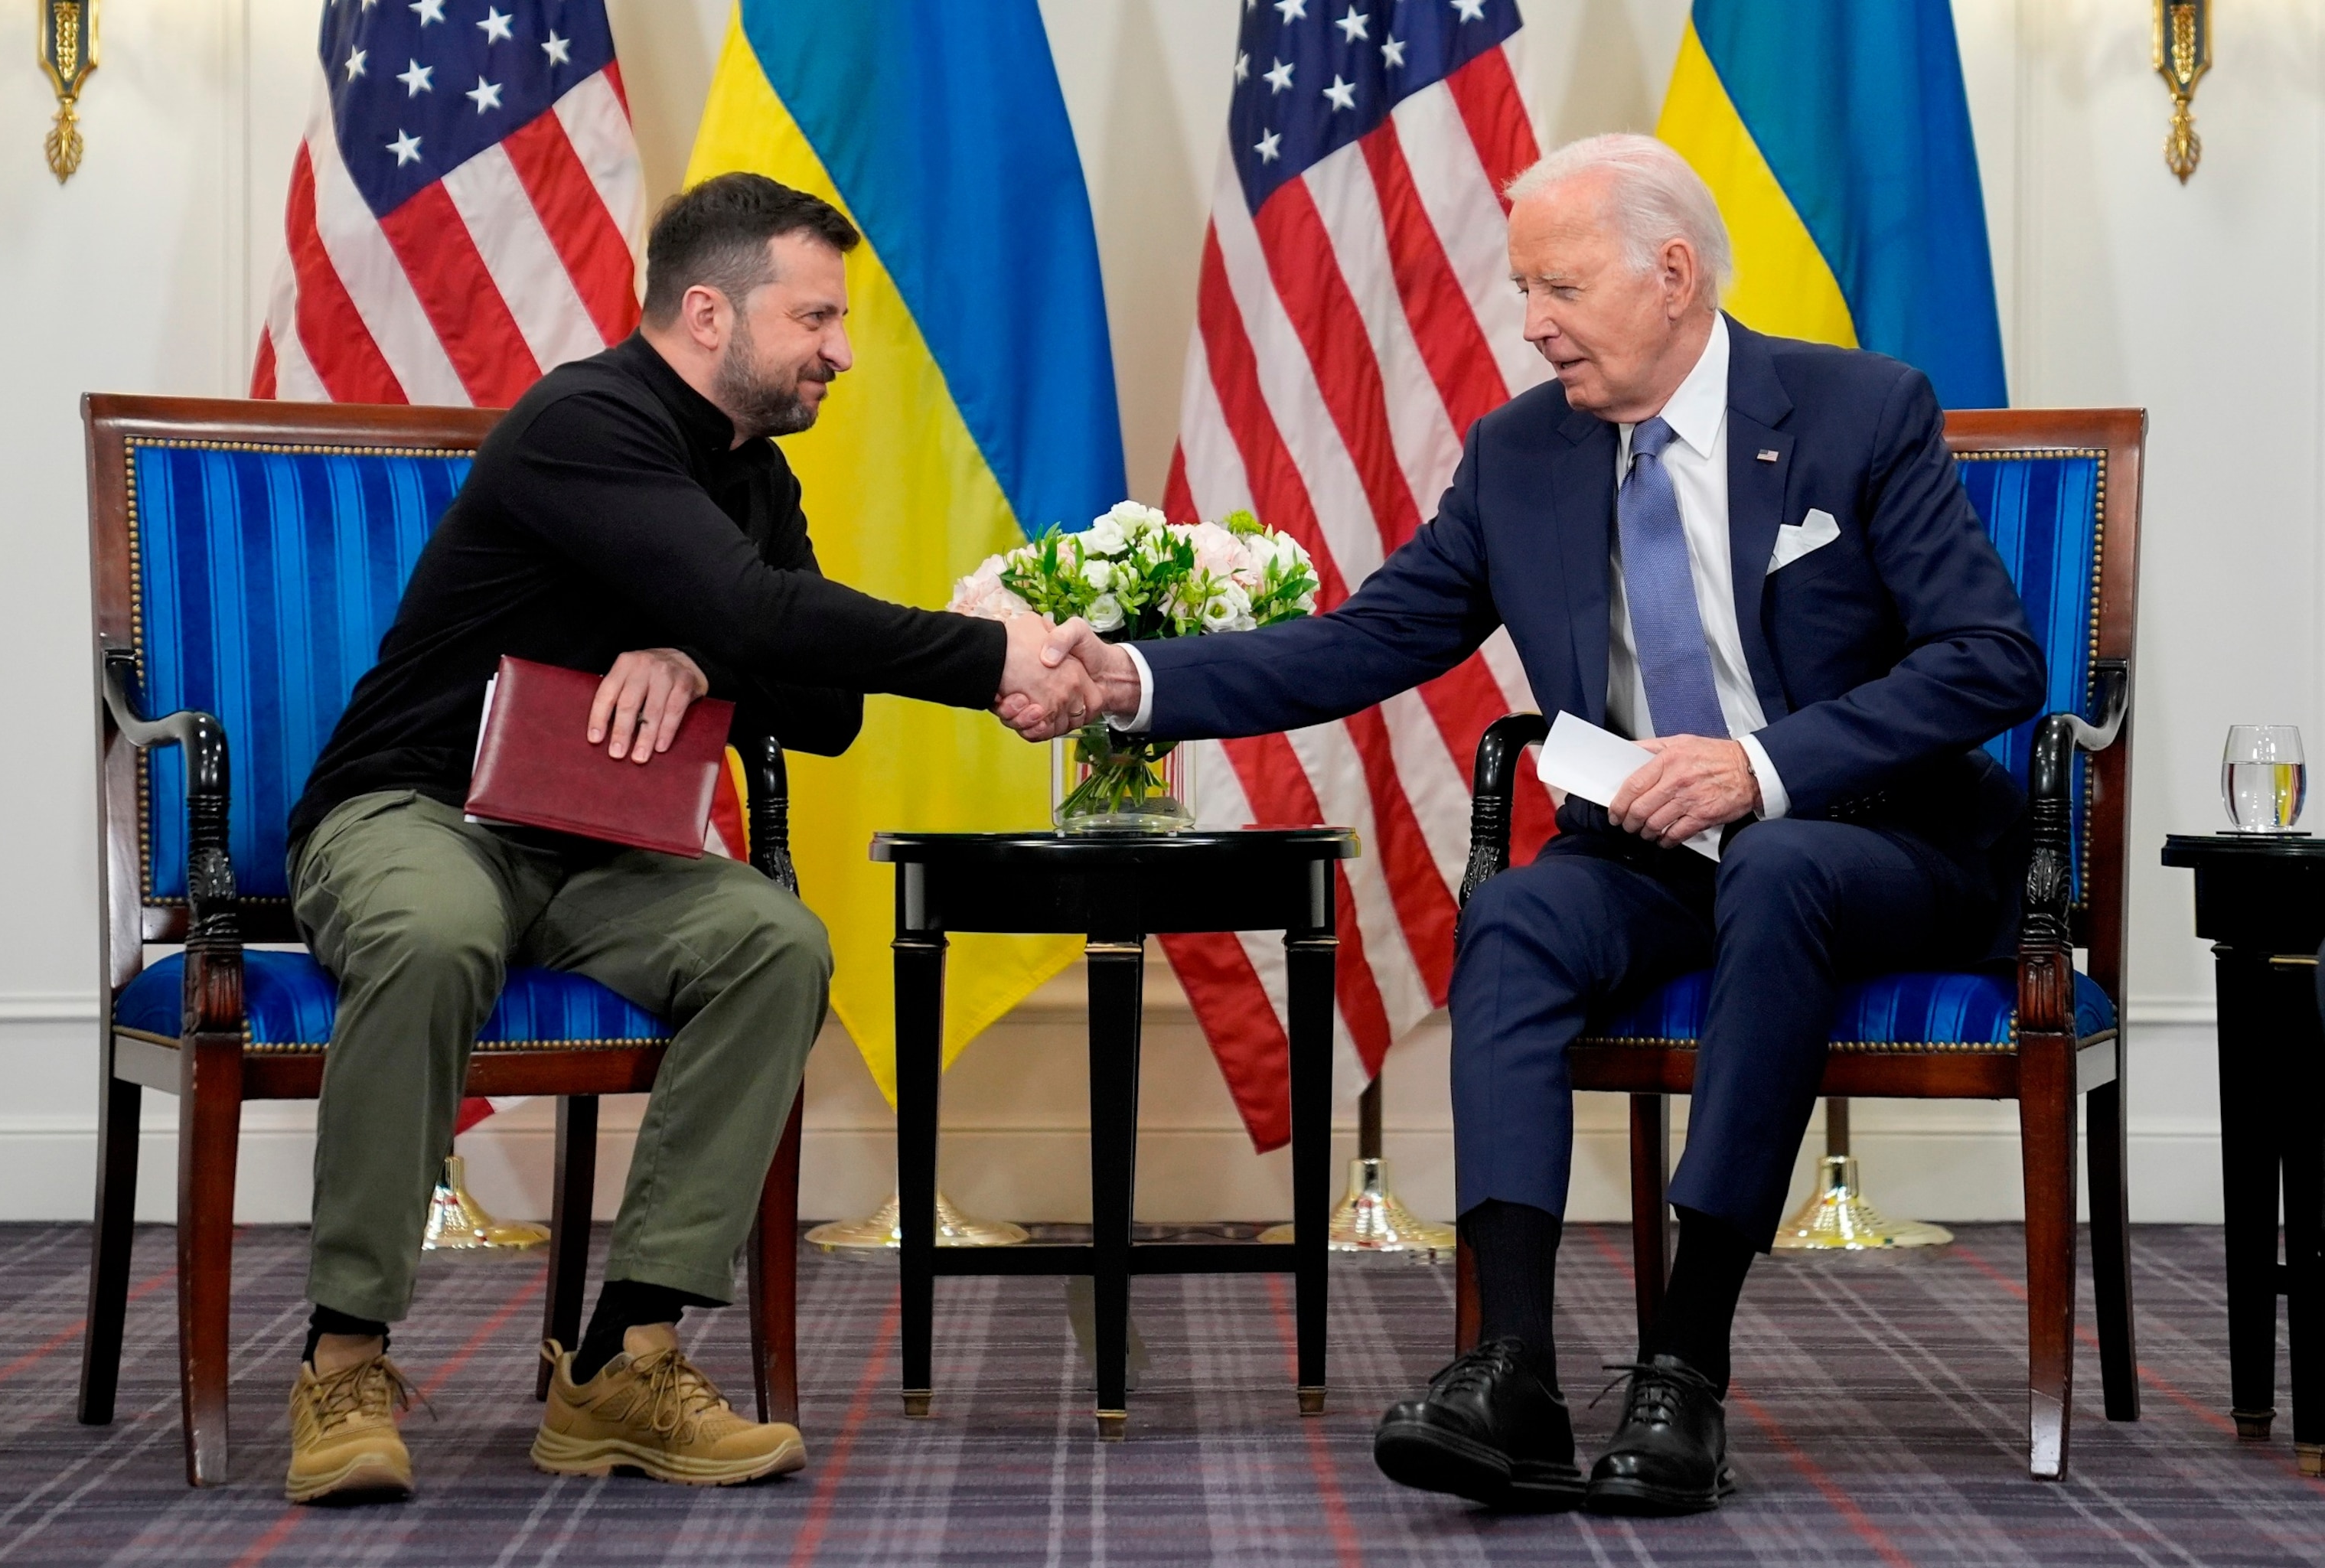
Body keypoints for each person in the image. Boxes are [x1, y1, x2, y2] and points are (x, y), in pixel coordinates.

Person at [1032, 134, 2044, 1515]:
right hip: (1652, 856)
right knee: (1512, 913)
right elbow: (1366, 640)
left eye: (1556, 287)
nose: (1530, 325)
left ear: (1673, 274)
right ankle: (1511, 1363)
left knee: (1785, 866)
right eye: (1522, 290)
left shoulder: (1861, 411)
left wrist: (1760, 764)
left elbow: (1990, 658)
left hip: (1878, 842)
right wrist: (1134, 682)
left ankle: (1683, 1366)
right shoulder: (1522, 451)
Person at [279, 172, 1096, 1504]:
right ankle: (344, 1356)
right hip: (414, 812)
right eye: (816, 316)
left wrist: (688, 640)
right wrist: (986, 651)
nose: (841, 349)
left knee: (773, 944)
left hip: (594, 851)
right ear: (708, 311)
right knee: (439, 929)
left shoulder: (753, 476)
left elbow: (819, 707)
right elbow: (760, 615)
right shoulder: (582, 421)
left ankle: (622, 1361)